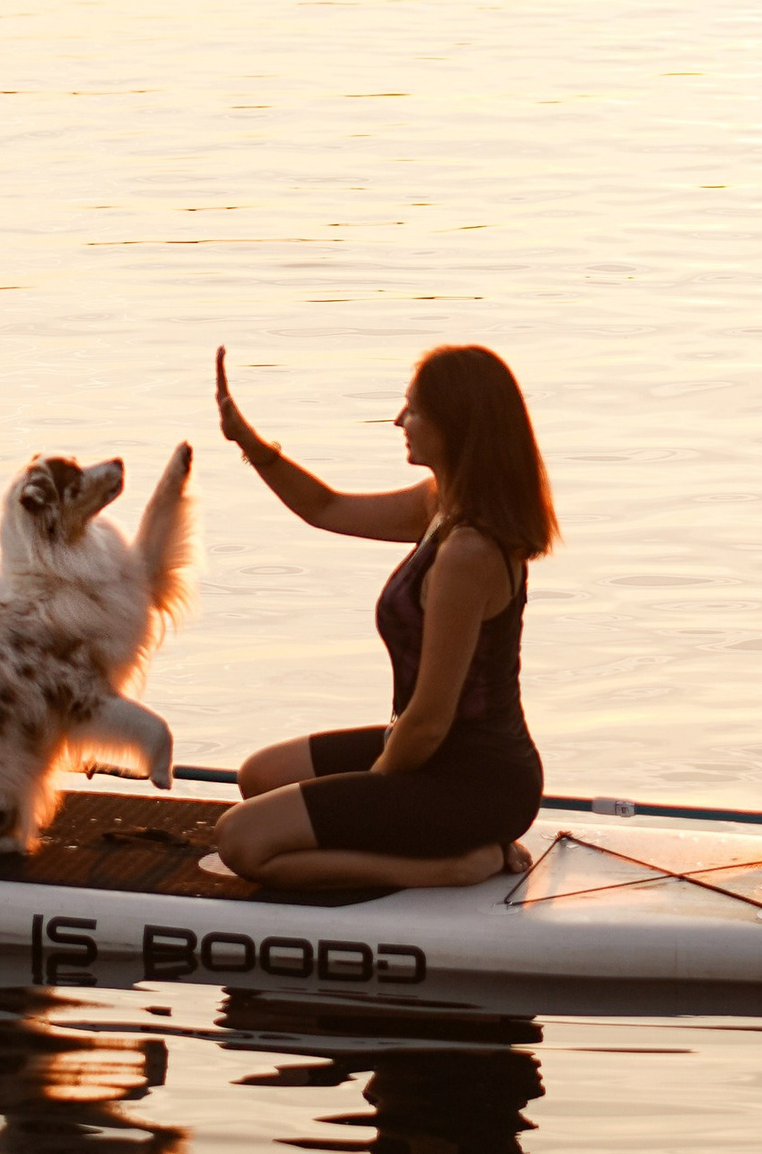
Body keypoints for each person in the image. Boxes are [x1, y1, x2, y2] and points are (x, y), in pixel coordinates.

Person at [209, 342, 553, 894]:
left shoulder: (469, 553)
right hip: (438, 755)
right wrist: (246, 440)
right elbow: (325, 508)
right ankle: (457, 845)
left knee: (240, 841)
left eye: (413, 409)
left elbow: (430, 721)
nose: (399, 419)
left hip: (475, 781)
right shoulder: (440, 502)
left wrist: (367, 802)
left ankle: (456, 866)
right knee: (259, 776)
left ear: (455, 424)